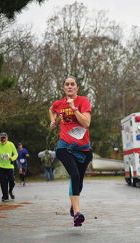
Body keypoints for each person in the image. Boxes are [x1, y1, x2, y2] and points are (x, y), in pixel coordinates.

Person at [49, 76, 93, 227]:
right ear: (63, 88)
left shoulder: (83, 101)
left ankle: (73, 206)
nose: (69, 86)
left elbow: (86, 123)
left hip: (84, 148)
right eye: (66, 84)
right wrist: (53, 120)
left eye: (72, 84)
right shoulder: (58, 103)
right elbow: (51, 109)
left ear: (77, 88)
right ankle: (77, 213)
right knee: (74, 175)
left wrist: (74, 108)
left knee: (78, 182)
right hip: (65, 146)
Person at [0, 132, 18, 202]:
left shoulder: (11, 144)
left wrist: (11, 158)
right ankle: (5, 197)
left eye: (4, 138)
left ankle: (10, 191)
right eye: (1, 138)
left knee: (12, 182)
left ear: (7, 138)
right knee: (3, 182)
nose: (3, 139)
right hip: (0, 166)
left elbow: (16, 154)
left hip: (9, 166)